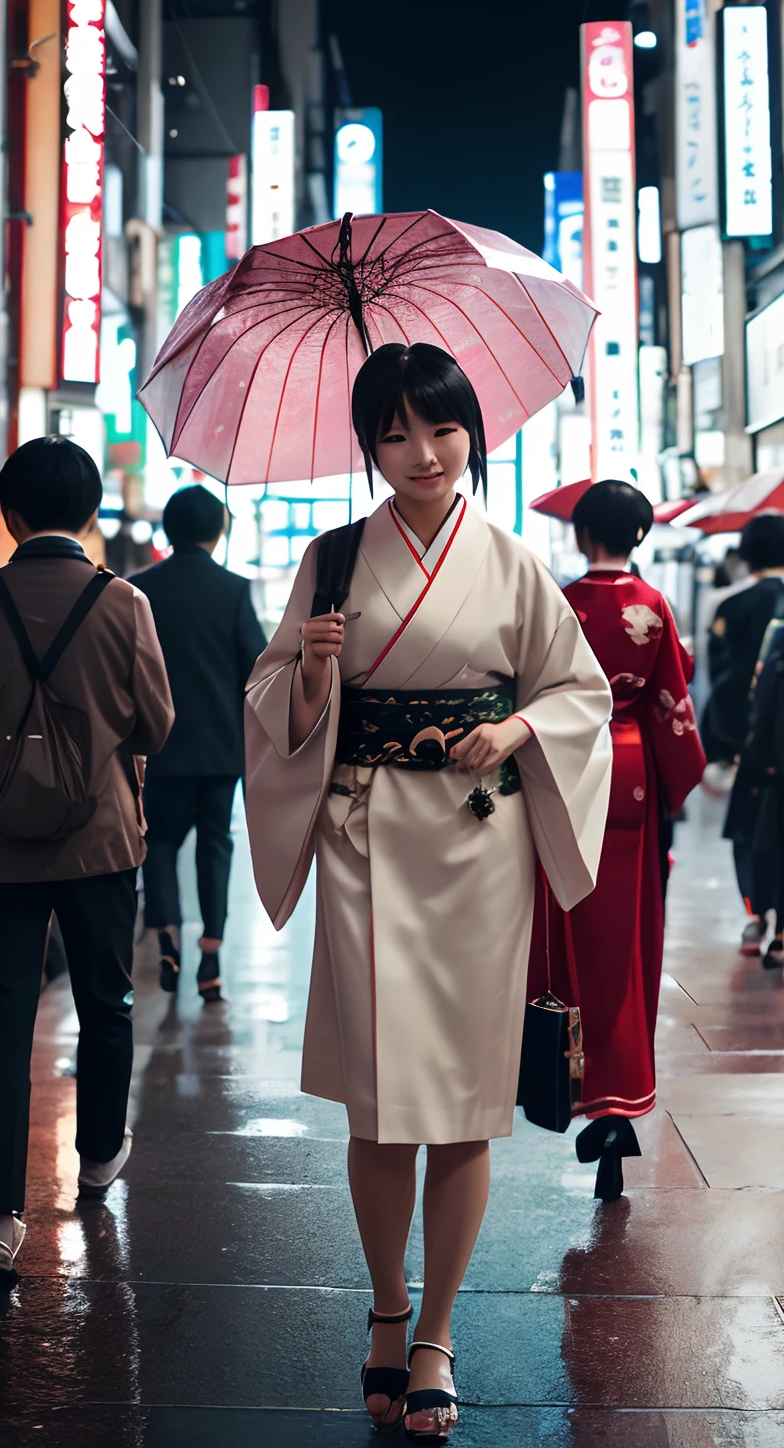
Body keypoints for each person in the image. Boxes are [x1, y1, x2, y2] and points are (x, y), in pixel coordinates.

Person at [244, 343, 612, 1438]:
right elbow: (271, 699)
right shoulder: (330, 559)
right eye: (394, 432)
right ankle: (385, 1309)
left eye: (441, 428)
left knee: (458, 1100)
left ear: (472, 434)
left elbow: (574, 691)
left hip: (475, 842)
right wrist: (310, 668)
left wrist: (510, 725)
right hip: (364, 837)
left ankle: (437, 1330)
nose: (421, 453)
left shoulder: (511, 561)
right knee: (377, 1097)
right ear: (367, 446)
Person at [0, 437, 174, 1286]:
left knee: (0, 1015)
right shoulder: (124, 603)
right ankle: (97, 1155)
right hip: (99, 840)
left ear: (9, 512)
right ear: (91, 512)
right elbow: (156, 727)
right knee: (106, 1001)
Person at [529, 481, 706, 1199]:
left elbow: (534, 693)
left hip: (569, 773)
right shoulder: (653, 606)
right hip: (632, 772)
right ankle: (620, 1098)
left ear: (580, 535)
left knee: (568, 932)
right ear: (640, 536)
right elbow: (674, 701)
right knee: (629, 945)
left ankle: (572, 1083)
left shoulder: (558, 603)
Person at [130, 485, 265, 1002]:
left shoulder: (138, 589)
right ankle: (211, 950)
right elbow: (256, 668)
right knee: (215, 842)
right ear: (218, 531)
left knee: (159, 842)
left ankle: (166, 933)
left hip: (157, 747)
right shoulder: (232, 590)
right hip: (219, 749)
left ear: (169, 529)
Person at [703, 512, 784, 963]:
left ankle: (754, 913)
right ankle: (780, 930)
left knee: (744, 830)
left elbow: (720, 680)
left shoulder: (727, 606)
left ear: (746, 554)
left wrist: (723, 742)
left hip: (743, 739)